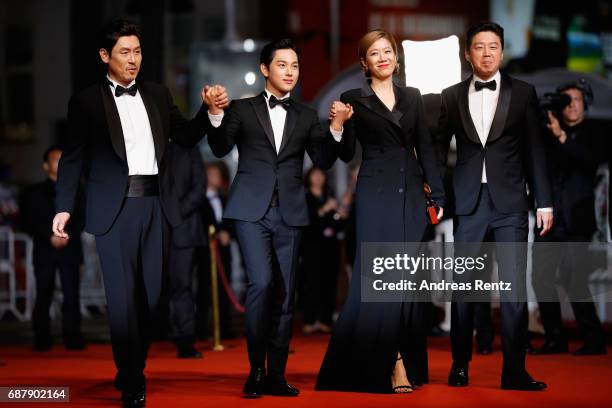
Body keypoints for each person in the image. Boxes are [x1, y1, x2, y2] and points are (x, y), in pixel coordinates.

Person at [52, 19, 226, 406]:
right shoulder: (85, 102)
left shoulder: (158, 94)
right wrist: (63, 207)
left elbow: (184, 136)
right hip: (113, 212)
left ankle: (131, 363)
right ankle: (133, 377)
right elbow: (73, 158)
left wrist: (209, 112)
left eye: (138, 52)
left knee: (151, 298)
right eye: (124, 53)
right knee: (122, 299)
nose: (133, 61)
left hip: (155, 206)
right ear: (105, 56)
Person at [204, 38, 349, 398]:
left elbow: (324, 159)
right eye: (282, 64)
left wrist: (336, 127)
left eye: (295, 66)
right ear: (265, 69)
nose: (290, 71)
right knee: (261, 284)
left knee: (285, 296)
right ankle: (255, 370)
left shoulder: (305, 114)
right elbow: (221, 146)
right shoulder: (241, 108)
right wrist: (215, 113)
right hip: (250, 211)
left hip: (291, 212)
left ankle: (277, 375)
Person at [316, 29, 445, 394]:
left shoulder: (413, 96)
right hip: (375, 194)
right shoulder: (352, 97)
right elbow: (344, 154)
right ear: (364, 62)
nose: (383, 57)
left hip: (412, 201)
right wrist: (338, 127)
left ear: (396, 57)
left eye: (388, 51)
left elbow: (426, 147)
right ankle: (394, 361)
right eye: (375, 53)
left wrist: (437, 195)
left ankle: (402, 356)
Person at [437, 22, 553, 391]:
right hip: (469, 202)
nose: (487, 53)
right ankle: (459, 364)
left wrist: (544, 201)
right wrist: (435, 196)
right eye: (479, 47)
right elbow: (439, 152)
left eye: (493, 46)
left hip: (511, 203)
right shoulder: (451, 95)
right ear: (468, 53)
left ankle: (514, 370)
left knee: (514, 288)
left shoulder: (524, 93)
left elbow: (536, 150)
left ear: (501, 51)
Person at [531, 80, 607, 356]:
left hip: (578, 220)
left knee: (576, 280)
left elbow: (591, 160)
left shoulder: (596, 132)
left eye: (576, 99)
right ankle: (554, 339)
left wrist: (562, 135)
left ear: (585, 102)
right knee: (541, 279)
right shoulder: (546, 134)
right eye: (566, 100)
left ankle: (594, 339)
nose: (572, 104)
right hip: (548, 219)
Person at [20, 146, 85, 351]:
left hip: (70, 247)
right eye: (56, 160)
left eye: (63, 160)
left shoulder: (78, 190)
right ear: (45, 165)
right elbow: (27, 220)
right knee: (43, 292)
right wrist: (49, 236)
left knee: (72, 293)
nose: (60, 164)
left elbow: (83, 217)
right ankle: (42, 337)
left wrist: (69, 235)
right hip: (44, 249)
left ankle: (72, 337)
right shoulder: (33, 192)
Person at [167, 142, 208, 359]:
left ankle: (185, 339)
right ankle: (148, 335)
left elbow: (199, 188)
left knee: (182, 287)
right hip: (152, 227)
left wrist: (173, 214)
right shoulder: (147, 146)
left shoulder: (189, 149)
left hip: (183, 229)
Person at [300, 166, 342, 335]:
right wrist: (325, 209)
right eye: (314, 175)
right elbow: (306, 220)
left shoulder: (329, 195)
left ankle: (325, 319)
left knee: (329, 283)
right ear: (309, 177)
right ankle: (309, 320)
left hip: (330, 246)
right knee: (310, 283)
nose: (318, 178)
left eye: (320, 174)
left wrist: (339, 214)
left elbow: (336, 223)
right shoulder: (304, 196)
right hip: (311, 246)